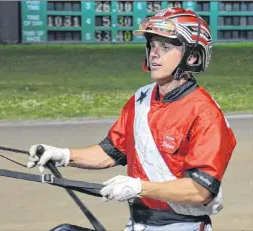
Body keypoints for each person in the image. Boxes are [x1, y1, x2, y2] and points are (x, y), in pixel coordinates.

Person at [27, 8, 237, 231]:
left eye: (165, 47)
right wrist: (63, 155)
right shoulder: (141, 99)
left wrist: (139, 187)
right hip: (139, 223)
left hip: (183, 225)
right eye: (152, 45)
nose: (154, 53)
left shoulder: (205, 113)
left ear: (192, 56)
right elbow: (110, 152)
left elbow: (200, 190)